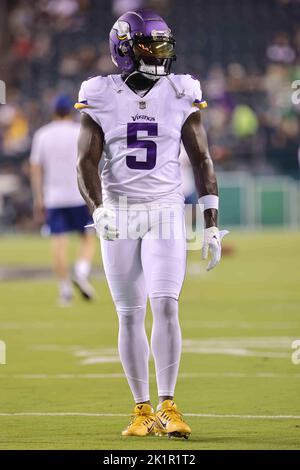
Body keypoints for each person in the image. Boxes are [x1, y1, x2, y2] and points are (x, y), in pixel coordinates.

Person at [76, 9, 227, 438]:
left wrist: (211, 221)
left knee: (164, 303)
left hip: (165, 209)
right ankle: (140, 409)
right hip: (120, 213)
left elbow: (202, 159)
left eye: (162, 44)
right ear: (124, 48)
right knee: (128, 313)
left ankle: (168, 404)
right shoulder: (99, 93)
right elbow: (85, 161)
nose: (159, 52)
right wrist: (98, 209)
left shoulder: (181, 90)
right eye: (149, 44)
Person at [30, 95, 96, 306]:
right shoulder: (79, 131)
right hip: (79, 194)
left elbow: (36, 168)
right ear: (70, 111)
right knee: (88, 238)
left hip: (53, 196)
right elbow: (90, 162)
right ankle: (81, 270)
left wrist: (38, 198)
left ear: (53, 111)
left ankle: (65, 289)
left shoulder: (43, 134)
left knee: (58, 242)